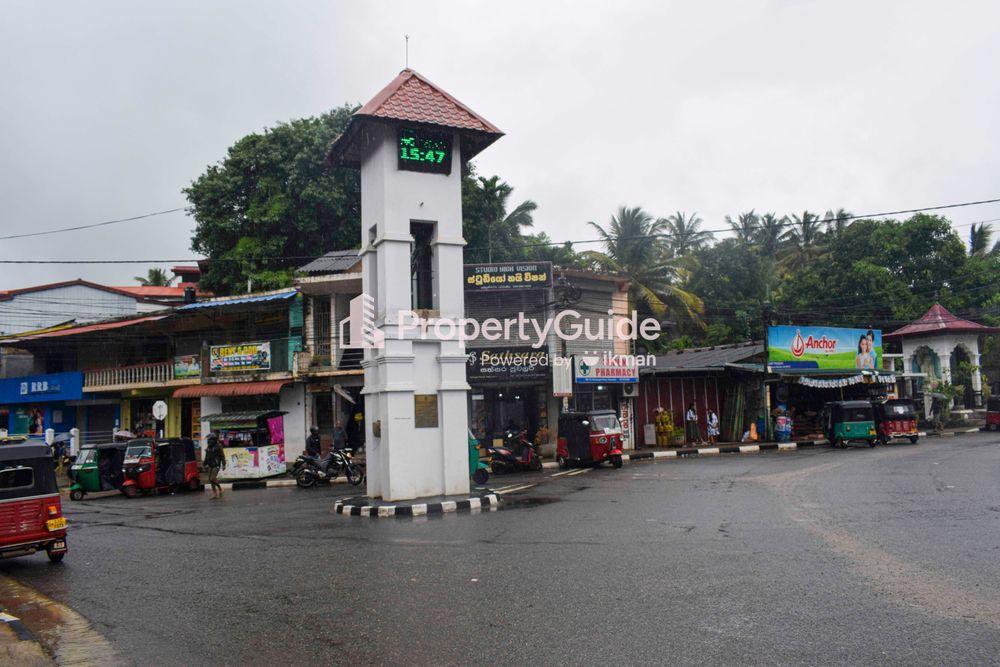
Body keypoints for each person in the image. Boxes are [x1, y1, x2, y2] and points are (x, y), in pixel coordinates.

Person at [204, 431, 225, 500]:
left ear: (213, 439)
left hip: (216, 464)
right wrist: (205, 464)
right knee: (210, 480)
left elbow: (222, 455)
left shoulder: (219, 446)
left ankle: (220, 488)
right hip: (210, 464)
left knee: (212, 478)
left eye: (209, 439)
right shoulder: (209, 446)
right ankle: (215, 494)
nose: (208, 441)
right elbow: (207, 456)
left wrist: (224, 464)